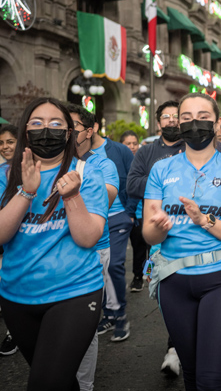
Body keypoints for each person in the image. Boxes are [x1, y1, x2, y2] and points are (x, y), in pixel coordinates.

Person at [143, 92, 221, 390]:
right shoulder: (161, 170)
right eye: (187, 118)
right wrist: (160, 226)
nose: (195, 124)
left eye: (203, 117)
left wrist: (205, 220)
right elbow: (148, 234)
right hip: (173, 281)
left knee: (211, 381)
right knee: (191, 377)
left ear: (217, 123)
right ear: (178, 124)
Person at [0, 97, 108, 389]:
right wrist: (26, 191)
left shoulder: (88, 173)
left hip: (74, 292)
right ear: (25, 132)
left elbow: (88, 238)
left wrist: (72, 196)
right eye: (37, 124)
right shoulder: (6, 175)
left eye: (56, 124)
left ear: (69, 133)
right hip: (16, 295)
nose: (46, 130)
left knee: (45, 383)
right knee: (58, 380)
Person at [126, 100, 185, 375]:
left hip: (192, 233)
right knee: (162, 289)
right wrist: (166, 180)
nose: (171, 121)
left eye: (177, 116)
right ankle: (180, 338)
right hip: (156, 233)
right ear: (158, 121)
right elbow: (132, 184)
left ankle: (175, 348)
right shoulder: (147, 151)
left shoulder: (195, 148)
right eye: (166, 117)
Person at [68, 103, 122, 390]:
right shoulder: (48, 161)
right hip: (54, 251)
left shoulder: (101, 164)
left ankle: (83, 385)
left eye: (71, 127)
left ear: (88, 132)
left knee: (83, 324)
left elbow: (108, 197)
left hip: (92, 250)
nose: (64, 132)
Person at [87, 115, 134, 342]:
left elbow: (132, 181)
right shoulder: (72, 156)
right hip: (89, 220)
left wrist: (130, 213)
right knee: (97, 266)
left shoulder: (117, 151)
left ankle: (120, 314)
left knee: (114, 264)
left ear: (92, 128)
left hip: (116, 217)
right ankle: (106, 313)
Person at [0, 124, 18, 356]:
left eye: (9, 142)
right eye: (1, 143)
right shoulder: (2, 171)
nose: (4, 147)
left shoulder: (34, 166)